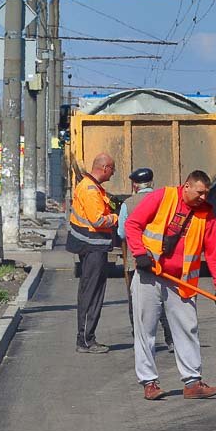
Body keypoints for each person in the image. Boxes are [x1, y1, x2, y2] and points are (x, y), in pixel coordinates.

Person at [125, 170, 216, 401]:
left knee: (187, 329)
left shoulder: (207, 216)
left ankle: (193, 383)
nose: (204, 197)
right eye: (200, 192)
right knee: (146, 331)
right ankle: (149, 383)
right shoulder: (163, 198)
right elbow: (133, 225)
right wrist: (140, 254)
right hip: (149, 275)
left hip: (180, 282)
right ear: (187, 186)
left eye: (207, 193)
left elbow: (213, 254)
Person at [67, 152, 118, 354]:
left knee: (91, 291)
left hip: (92, 247)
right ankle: (86, 340)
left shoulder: (92, 187)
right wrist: (117, 218)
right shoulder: (89, 189)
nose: (112, 174)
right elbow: (98, 220)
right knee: (92, 293)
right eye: (112, 169)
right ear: (104, 168)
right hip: (92, 247)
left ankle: (86, 337)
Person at [118, 167, 173, 350]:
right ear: (152, 183)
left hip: (136, 260)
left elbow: (122, 233)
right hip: (161, 260)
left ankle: (139, 340)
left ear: (135, 185)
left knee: (136, 302)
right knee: (164, 299)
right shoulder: (163, 201)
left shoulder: (128, 204)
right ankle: (170, 339)